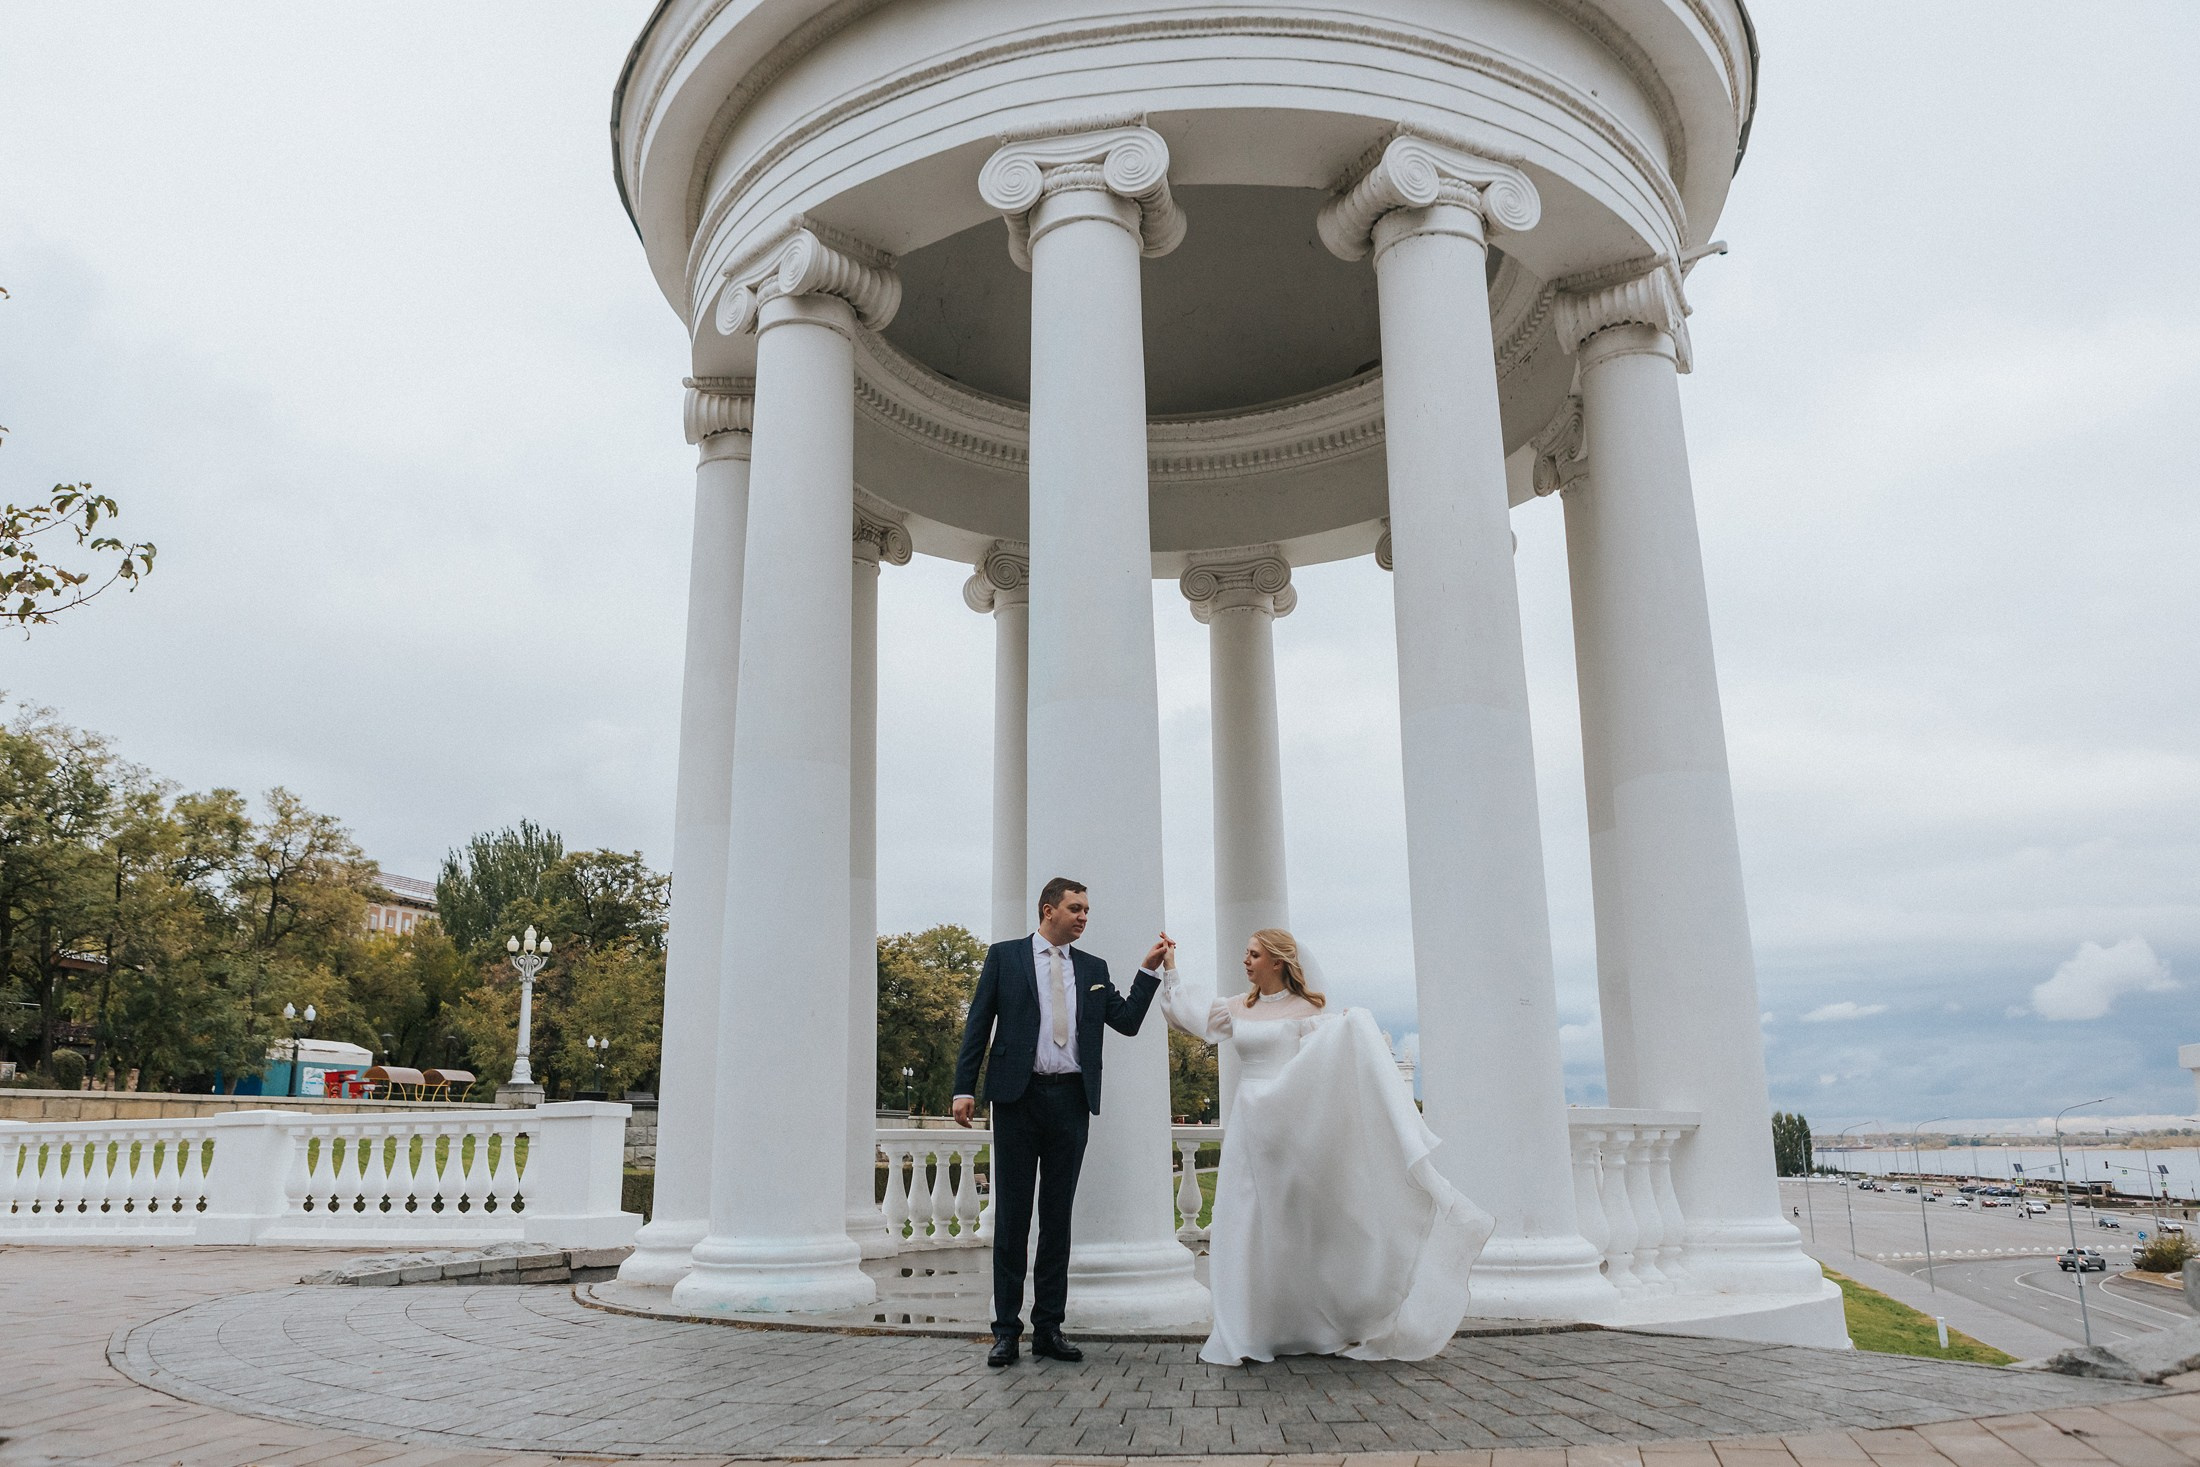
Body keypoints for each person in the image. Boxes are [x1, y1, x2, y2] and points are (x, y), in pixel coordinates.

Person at [1157, 928, 1495, 1365]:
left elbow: (1326, 1066)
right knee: (1244, 1220)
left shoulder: (1310, 1011)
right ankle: (1248, 1326)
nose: (1246, 961)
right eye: (1246, 954)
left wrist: (1352, 1027)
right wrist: (1170, 966)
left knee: (1296, 1223)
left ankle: (1309, 1323)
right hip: (1248, 1125)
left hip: (1288, 1123)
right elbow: (1187, 1014)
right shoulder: (1237, 1007)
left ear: (1277, 962)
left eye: (1254, 955)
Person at [951, 877, 1165, 1368]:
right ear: (1049, 910)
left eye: (1087, 909)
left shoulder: (1092, 968)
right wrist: (964, 1087)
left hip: (1070, 1101)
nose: (1084, 916)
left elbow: (1127, 1021)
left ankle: (1049, 1327)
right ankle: (1006, 1331)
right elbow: (979, 1023)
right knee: (1012, 1218)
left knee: (1057, 1219)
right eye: (1076, 908)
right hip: (1016, 1100)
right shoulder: (1004, 957)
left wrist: (1146, 971)